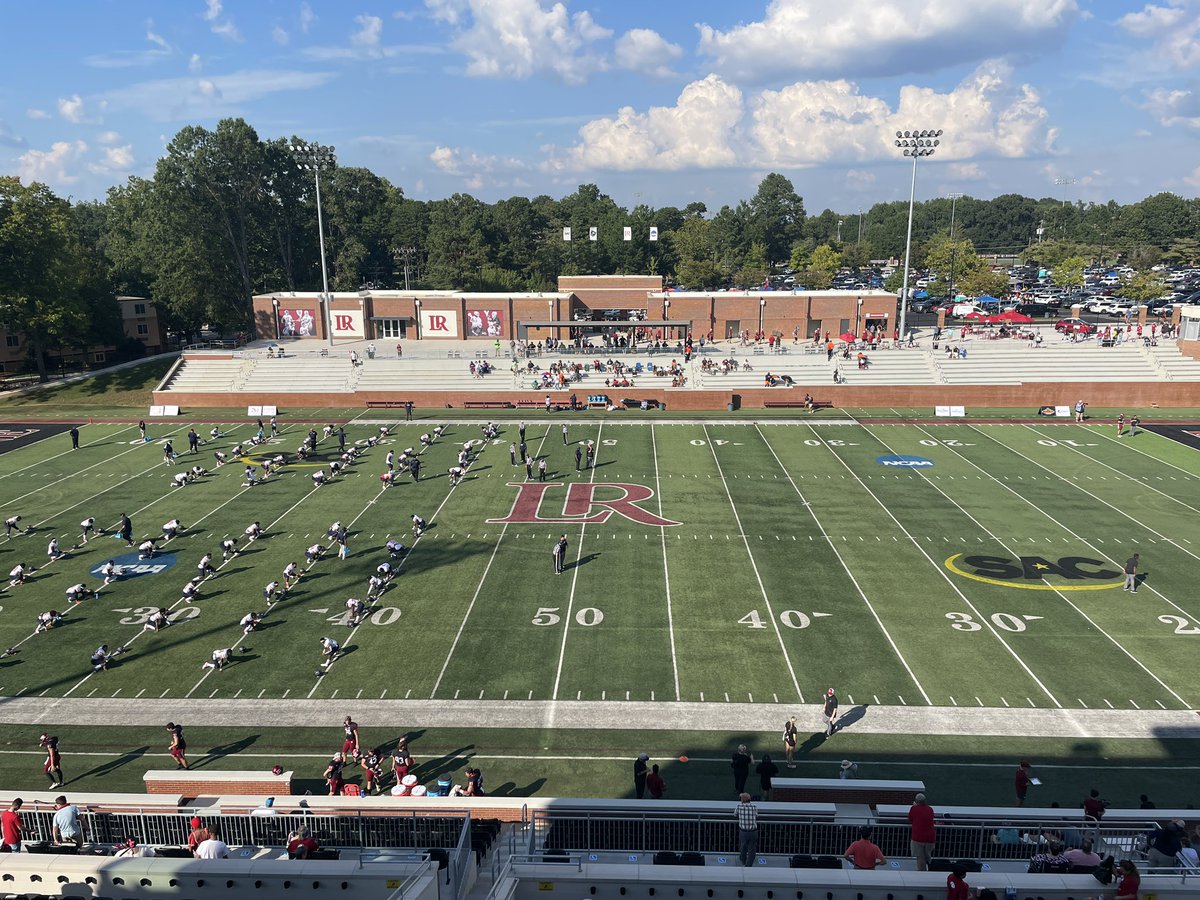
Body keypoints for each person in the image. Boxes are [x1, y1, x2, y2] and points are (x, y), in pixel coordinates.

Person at [908, 792, 936, 871]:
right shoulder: (930, 809)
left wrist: (914, 806)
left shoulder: (914, 808)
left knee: (920, 857)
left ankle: (922, 873)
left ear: (916, 801)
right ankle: (930, 870)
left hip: (918, 838)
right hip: (930, 838)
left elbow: (910, 818)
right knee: (928, 856)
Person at [736, 793, 758, 867]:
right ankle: (748, 865)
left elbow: (735, 814)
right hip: (753, 831)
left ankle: (743, 860)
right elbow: (756, 815)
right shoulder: (754, 807)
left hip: (743, 831)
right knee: (752, 849)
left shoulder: (739, 806)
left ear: (742, 800)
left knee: (743, 846)